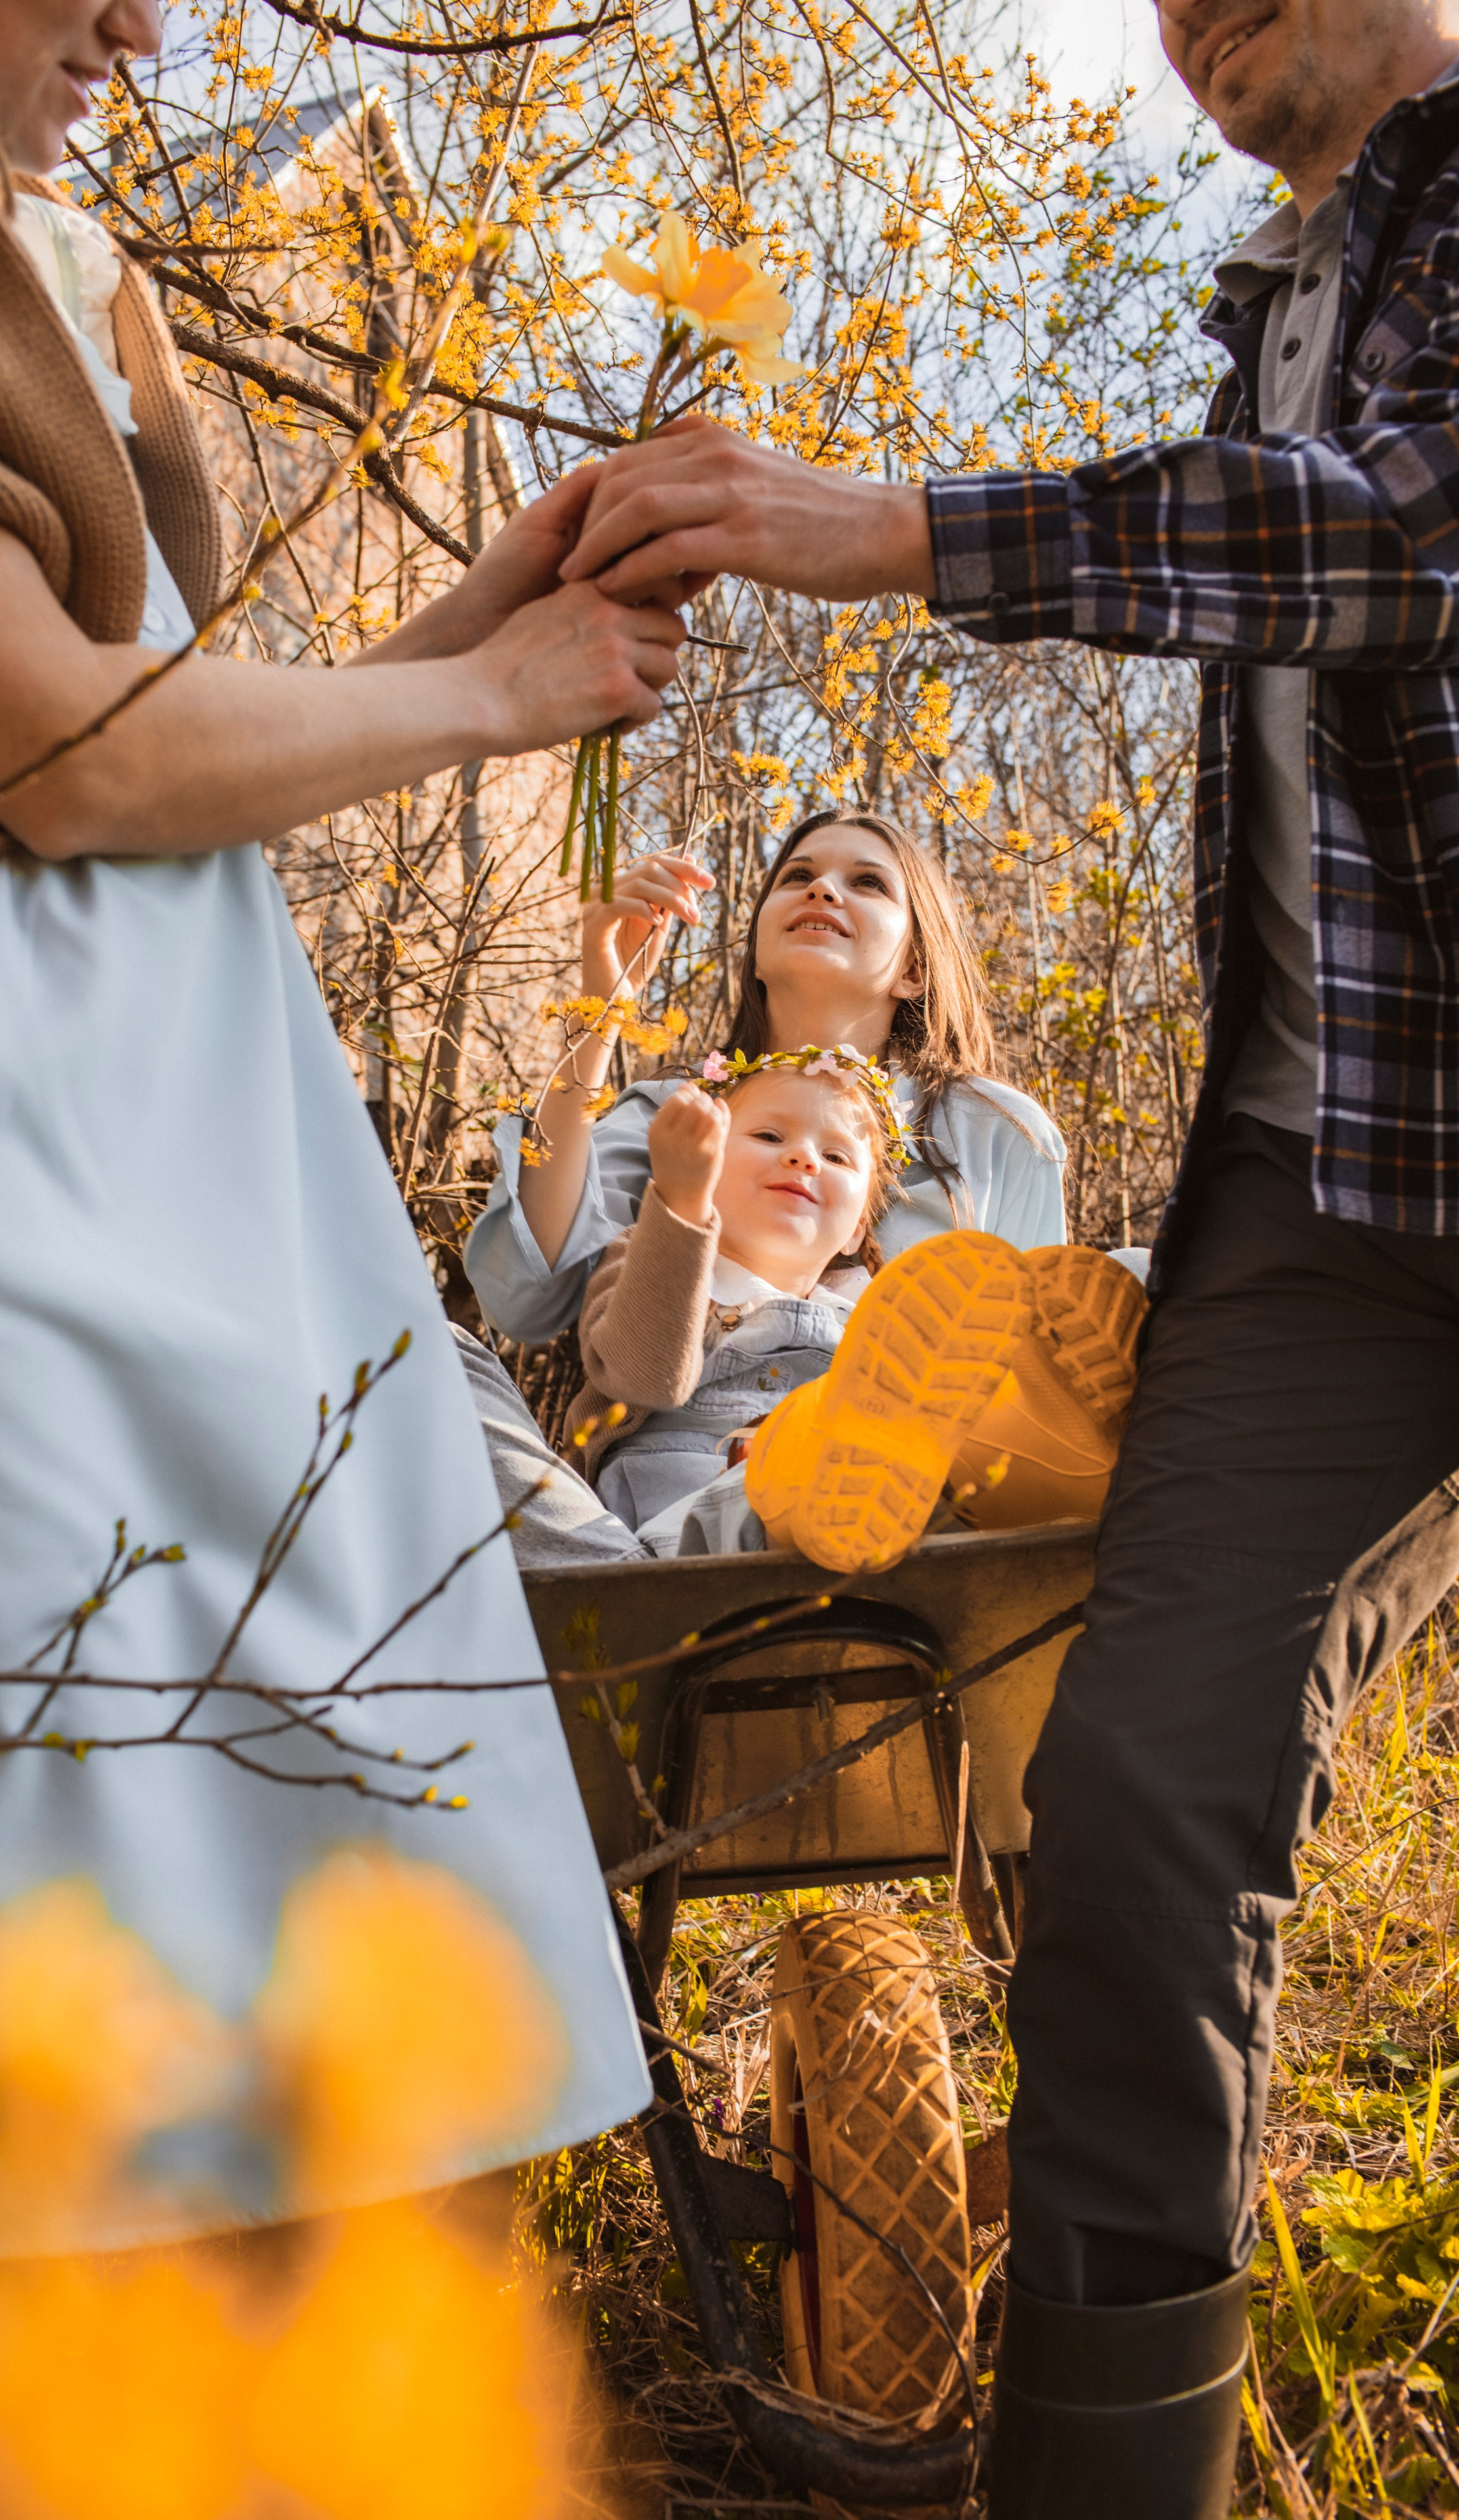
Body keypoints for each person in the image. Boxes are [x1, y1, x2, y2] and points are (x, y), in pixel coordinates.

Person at [557, 1, 1459, 2511]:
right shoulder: (1264, 297)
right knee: (1141, 1810)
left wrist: (881, 525)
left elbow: (1398, 530)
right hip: (1328, 1189)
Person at [0, 0, 684, 2465]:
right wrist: (495, 697)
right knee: (50, 1969)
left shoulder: (32, 248)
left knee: (375, 1909)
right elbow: (56, 759)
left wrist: (481, 611)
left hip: (204, 1170)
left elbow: (163, 744)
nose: (143, 25)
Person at [461, 808, 1074, 1554]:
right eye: (797, 877)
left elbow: (1029, 1388)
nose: (823, 891)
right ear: (754, 950)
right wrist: (603, 1007)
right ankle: (616, 1578)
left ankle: (657, 1573)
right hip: (649, 1512)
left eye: (867, 882)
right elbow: (525, 1293)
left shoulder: (995, 1133)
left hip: (879, 1524)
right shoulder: (676, 1114)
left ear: (915, 964)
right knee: (421, 1348)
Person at [569, 1049, 1144, 1562]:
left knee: (1131, 1273)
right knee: (808, 1468)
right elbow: (645, 1378)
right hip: (679, 1539)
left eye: (838, 1158)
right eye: (769, 1137)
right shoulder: (649, 1255)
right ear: (705, 1164)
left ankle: (1059, 1452)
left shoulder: (883, 1312)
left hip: (864, 1547)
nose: (804, 1158)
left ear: (857, 1229)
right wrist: (680, 1202)